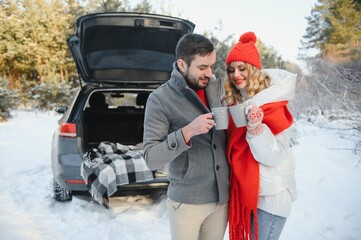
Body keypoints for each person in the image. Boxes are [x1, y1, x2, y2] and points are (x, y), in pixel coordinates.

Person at [143, 33, 230, 240]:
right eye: (202, 67)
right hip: (187, 203)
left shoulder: (218, 89)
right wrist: (186, 132)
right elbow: (151, 158)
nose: (209, 73)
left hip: (221, 201)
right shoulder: (160, 99)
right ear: (182, 65)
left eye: (211, 66)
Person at [224, 31, 297, 240]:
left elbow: (274, 155)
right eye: (231, 70)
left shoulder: (273, 105)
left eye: (242, 68)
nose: (236, 74)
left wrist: (257, 129)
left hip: (271, 197)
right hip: (247, 193)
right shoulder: (238, 102)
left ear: (254, 69)